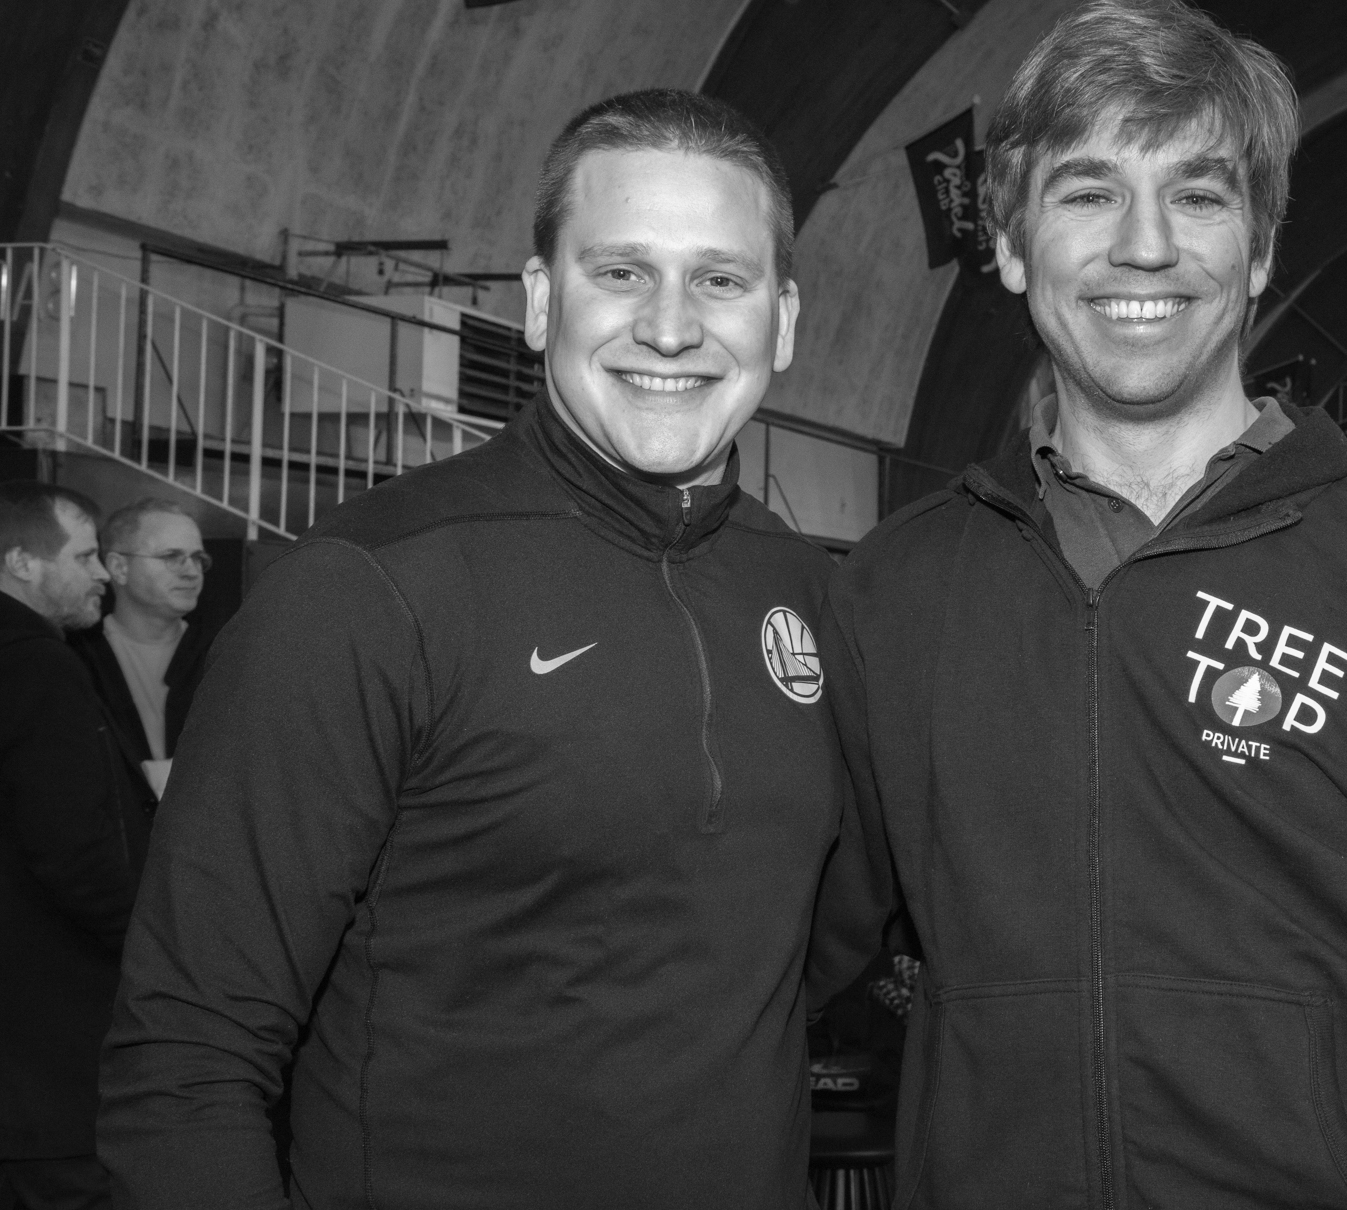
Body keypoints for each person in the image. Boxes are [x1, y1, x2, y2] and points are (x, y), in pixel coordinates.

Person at [824, 0, 1347, 1209]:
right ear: (1009, 245)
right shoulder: (896, 589)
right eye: (1088, 192)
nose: (1144, 246)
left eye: (1197, 195)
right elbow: (754, 952)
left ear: (1257, 252)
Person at [101, 89, 871, 1209]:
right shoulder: (369, 588)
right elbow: (187, 1053)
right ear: (542, 302)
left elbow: (799, 961)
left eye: (720, 279)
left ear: (783, 321)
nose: (669, 326)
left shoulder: (811, 593)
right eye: (621, 271)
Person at [1, 482, 150, 1210]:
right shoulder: (37, 666)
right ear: (21, 562)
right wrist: (148, 948)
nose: (102, 575)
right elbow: (74, 848)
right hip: (49, 1041)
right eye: (85, 556)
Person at [72, 499, 212, 800]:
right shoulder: (74, 658)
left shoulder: (223, 656)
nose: (192, 572)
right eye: (171, 556)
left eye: (198, 558)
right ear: (119, 568)